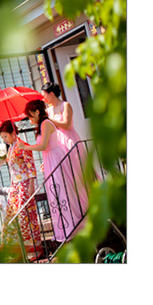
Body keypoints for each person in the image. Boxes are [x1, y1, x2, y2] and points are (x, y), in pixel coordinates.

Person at [19, 100, 89, 242]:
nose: (30, 120)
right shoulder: (42, 125)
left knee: (62, 191)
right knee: (56, 193)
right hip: (50, 159)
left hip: (55, 157)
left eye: (30, 116)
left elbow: (44, 145)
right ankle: (65, 227)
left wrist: (25, 147)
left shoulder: (45, 123)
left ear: (37, 112)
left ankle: (73, 226)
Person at [0, 120, 43, 259]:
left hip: (24, 184)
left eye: (6, 136)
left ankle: (34, 249)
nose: (4, 139)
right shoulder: (11, 148)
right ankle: (16, 249)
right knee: (12, 216)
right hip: (15, 186)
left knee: (26, 217)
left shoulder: (23, 145)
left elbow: (30, 166)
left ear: (13, 133)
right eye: (3, 137)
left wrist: (31, 185)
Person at [40, 82, 82, 151]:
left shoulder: (65, 105)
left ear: (51, 94)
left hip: (69, 139)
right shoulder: (48, 110)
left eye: (44, 96)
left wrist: (49, 119)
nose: (43, 99)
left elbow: (67, 125)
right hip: (57, 143)